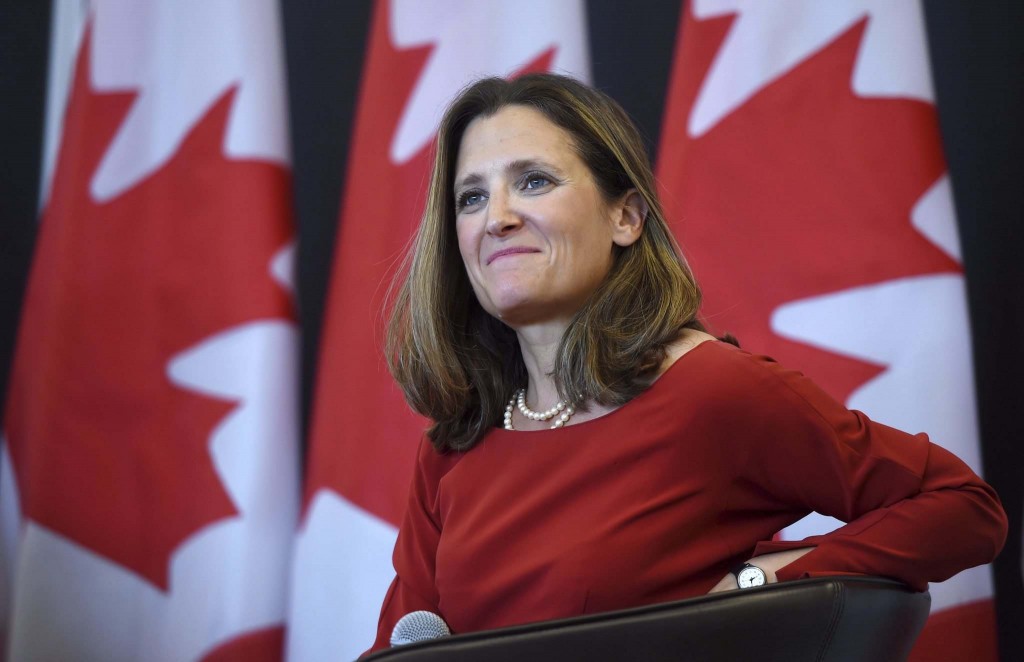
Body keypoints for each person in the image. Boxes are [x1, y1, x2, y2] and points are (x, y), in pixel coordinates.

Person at [366, 73, 1007, 652]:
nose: (496, 218)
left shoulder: (712, 392)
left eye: (533, 181)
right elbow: (394, 650)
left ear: (625, 215)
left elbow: (961, 507)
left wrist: (763, 581)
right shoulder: (454, 444)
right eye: (470, 198)